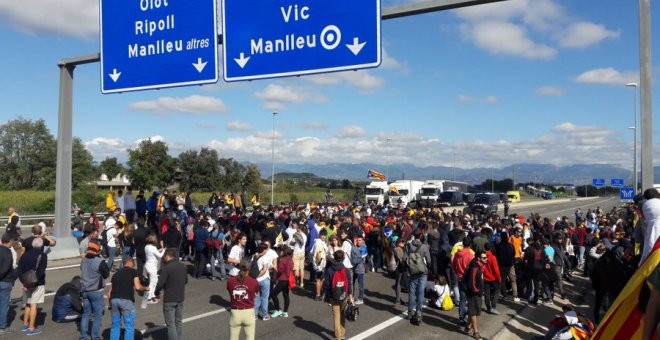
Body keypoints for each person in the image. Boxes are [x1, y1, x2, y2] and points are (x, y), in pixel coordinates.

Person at [109, 258, 149, 340]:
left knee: (115, 325)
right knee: (129, 325)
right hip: (125, 301)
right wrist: (145, 288)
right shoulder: (133, 272)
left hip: (113, 300)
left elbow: (110, 292)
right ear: (132, 263)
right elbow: (138, 287)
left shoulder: (116, 274)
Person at [154, 249, 187, 340]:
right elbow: (185, 281)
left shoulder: (167, 268)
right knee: (178, 321)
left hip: (169, 298)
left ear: (167, 256)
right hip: (180, 297)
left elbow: (160, 284)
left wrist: (156, 292)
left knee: (170, 323)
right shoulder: (183, 266)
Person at [80, 240, 110, 340]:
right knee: (97, 316)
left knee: (85, 314)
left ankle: (83, 337)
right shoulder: (99, 261)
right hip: (96, 291)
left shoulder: (83, 260)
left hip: (85, 291)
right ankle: (95, 337)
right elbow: (106, 274)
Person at [17, 237, 47, 336]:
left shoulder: (24, 255)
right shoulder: (43, 255)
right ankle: (31, 327)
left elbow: (19, 270)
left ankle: (25, 324)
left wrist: (24, 283)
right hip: (37, 283)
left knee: (28, 303)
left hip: (26, 282)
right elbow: (41, 272)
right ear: (41, 245)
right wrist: (34, 282)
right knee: (34, 304)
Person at [323, 250, 354, 340]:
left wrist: (324, 294)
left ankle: (338, 337)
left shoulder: (329, 270)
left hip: (333, 296)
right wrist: (350, 295)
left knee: (336, 316)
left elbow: (327, 284)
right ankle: (343, 333)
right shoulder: (346, 270)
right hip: (344, 295)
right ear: (343, 258)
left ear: (334, 258)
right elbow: (349, 284)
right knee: (342, 314)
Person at [227, 259, 259, 340]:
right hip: (249, 312)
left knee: (233, 338)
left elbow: (229, 291)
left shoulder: (230, 281)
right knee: (250, 337)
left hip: (235, 312)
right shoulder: (254, 282)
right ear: (249, 269)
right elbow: (255, 294)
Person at [406, 229, 431, 324]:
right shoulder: (424, 247)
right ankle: (418, 311)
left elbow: (405, 258)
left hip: (412, 271)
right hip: (422, 271)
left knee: (412, 291)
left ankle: (410, 311)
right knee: (421, 291)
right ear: (420, 236)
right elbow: (428, 260)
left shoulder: (408, 245)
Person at [464, 251, 486, 340]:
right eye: (484, 258)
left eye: (486, 257)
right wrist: (477, 291)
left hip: (476, 293)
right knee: (474, 312)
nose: (486, 259)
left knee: (473, 311)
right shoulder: (475, 267)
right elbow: (472, 282)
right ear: (479, 258)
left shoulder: (479, 266)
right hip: (473, 293)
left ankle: (467, 327)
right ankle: (475, 332)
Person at [270, 245, 293, 318]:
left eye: (279, 251)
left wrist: (274, 271)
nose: (278, 253)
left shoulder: (282, 260)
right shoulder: (290, 258)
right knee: (286, 295)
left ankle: (277, 310)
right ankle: (285, 312)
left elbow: (280, 270)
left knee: (273, 294)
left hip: (283, 280)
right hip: (288, 279)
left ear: (282, 252)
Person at [0, 233, 17, 334]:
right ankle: (2, 326)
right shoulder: (8, 252)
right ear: (10, 241)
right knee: (3, 305)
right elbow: (6, 268)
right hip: (5, 282)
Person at [252, 243, 271, 320]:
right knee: (264, 298)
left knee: (256, 298)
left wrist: (255, 277)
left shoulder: (254, 256)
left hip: (255, 281)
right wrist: (258, 276)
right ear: (263, 250)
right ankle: (264, 315)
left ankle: (255, 315)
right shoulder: (265, 257)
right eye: (266, 249)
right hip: (264, 279)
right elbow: (264, 269)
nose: (267, 250)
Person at [145, 235, 165, 303]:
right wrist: (164, 250)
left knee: (154, 281)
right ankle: (148, 298)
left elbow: (153, 253)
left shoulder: (146, 247)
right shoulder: (153, 248)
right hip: (152, 267)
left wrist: (159, 250)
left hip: (148, 265)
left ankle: (152, 294)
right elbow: (160, 256)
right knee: (152, 283)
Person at [482, 242, 501, 314]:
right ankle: (493, 307)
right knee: (497, 290)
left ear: (484, 248)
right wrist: (499, 278)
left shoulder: (482, 256)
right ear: (491, 248)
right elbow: (496, 270)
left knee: (487, 293)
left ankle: (488, 307)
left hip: (485, 277)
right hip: (493, 278)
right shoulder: (492, 257)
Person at [310, 229, 328, 300]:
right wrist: (319, 264)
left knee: (321, 279)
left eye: (325, 235)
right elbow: (317, 254)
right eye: (322, 235)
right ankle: (318, 295)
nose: (323, 236)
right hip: (319, 264)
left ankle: (319, 293)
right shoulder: (318, 243)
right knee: (319, 279)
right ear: (320, 235)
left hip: (322, 263)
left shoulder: (321, 242)